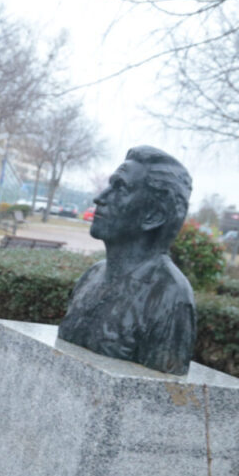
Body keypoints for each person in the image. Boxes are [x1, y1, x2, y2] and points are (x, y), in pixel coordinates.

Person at [57, 146, 196, 376]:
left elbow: (159, 396)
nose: (100, 198)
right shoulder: (92, 276)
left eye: (120, 188)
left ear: (154, 215)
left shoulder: (170, 297)